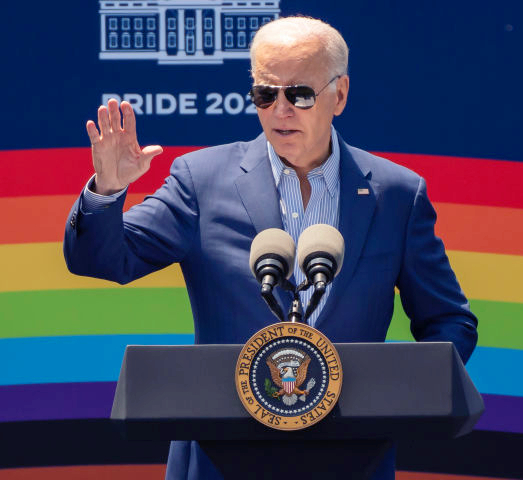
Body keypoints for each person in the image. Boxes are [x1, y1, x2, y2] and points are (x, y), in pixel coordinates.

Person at [64, 16, 478, 480]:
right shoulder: (201, 180)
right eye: (266, 94)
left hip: (352, 458)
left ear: (339, 94)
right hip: (222, 461)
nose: (281, 111)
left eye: (299, 94)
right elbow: (102, 260)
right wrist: (106, 192)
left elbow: (449, 320)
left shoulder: (396, 194)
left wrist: (406, 385)